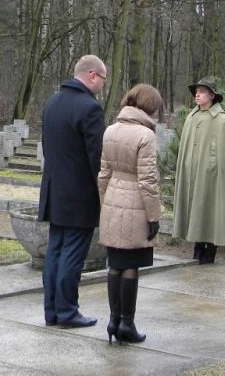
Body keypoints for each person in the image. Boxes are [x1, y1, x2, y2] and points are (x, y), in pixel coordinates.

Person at [39, 54, 107, 328]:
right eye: (103, 79)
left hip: (55, 190)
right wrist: (103, 191)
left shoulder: (52, 103)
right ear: (92, 75)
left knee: (55, 251)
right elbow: (96, 157)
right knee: (72, 255)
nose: (103, 84)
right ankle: (67, 311)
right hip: (79, 195)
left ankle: (52, 311)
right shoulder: (89, 108)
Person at [98, 84, 163, 344]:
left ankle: (113, 321)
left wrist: (107, 205)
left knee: (115, 265)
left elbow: (103, 174)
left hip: (114, 199)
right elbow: (148, 181)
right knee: (130, 266)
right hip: (136, 203)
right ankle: (127, 323)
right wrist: (153, 216)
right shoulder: (145, 136)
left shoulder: (110, 130)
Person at [172, 77, 225, 264]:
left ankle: (210, 249)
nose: (197, 94)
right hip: (192, 173)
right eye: (196, 91)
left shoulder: (222, 120)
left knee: (210, 209)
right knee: (195, 209)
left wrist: (216, 170)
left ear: (212, 95)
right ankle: (197, 247)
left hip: (211, 176)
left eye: (202, 91)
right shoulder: (191, 117)